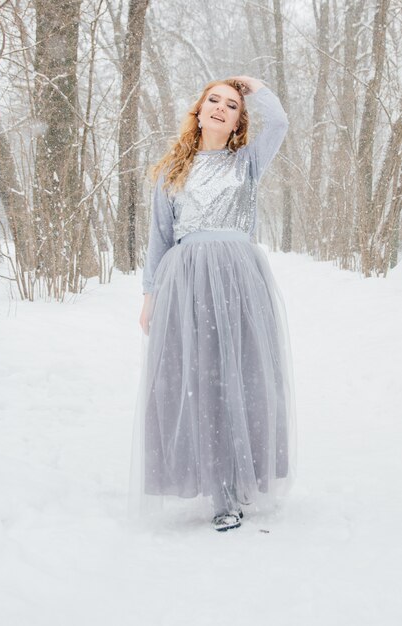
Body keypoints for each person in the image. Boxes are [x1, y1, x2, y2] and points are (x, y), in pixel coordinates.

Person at [128, 75, 297, 532]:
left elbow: (280, 123)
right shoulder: (171, 171)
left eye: (232, 105)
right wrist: (150, 296)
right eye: (214, 101)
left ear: (240, 121)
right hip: (187, 281)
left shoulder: (246, 163)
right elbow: (159, 239)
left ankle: (237, 480)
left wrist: (257, 88)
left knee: (240, 376)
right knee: (199, 379)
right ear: (199, 111)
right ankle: (213, 485)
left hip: (240, 278)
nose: (222, 108)